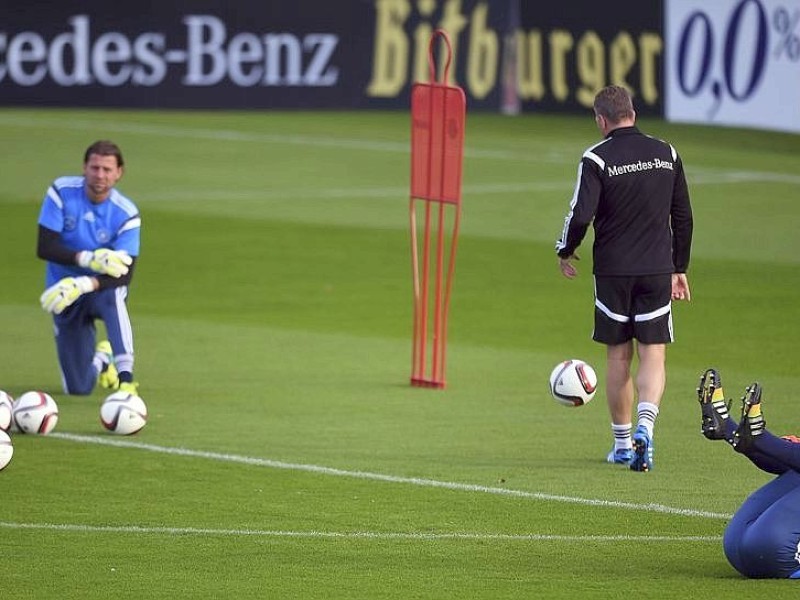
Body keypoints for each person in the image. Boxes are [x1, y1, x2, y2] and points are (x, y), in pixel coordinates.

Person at [555, 85, 693, 472]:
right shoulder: (667, 153)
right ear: (632, 112)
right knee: (654, 353)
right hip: (656, 269)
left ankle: (621, 444)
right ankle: (646, 428)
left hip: (613, 271)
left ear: (601, 120)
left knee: (618, 355)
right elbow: (682, 215)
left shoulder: (596, 157)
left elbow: (580, 214)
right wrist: (678, 267)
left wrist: (565, 250)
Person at [37, 140, 141, 396]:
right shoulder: (61, 192)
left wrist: (85, 283)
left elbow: (125, 275)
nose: (100, 176)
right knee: (78, 388)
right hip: (63, 293)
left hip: (98, 290)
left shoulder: (126, 213)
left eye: (107, 169)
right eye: (95, 168)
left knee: (113, 297)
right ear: (84, 167)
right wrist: (88, 260)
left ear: (119, 173)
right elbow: (45, 247)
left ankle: (126, 379)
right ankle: (102, 360)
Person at [697, 368, 800, 579]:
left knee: (785, 455)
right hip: (757, 547)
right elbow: (783, 464)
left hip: (758, 548)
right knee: (792, 466)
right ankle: (731, 430)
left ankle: (753, 436)